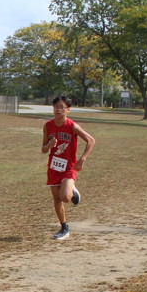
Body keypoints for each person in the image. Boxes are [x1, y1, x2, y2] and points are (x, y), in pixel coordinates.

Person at [42, 95, 95, 240]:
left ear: (68, 110)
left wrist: (82, 159)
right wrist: (49, 145)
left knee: (64, 197)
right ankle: (64, 227)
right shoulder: (48, 126)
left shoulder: (72, 126)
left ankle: (72, 190)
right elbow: (43, 149)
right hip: (54, 166)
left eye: (62, 107)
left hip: (69, 167)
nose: (58, 109)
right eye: (56, 106)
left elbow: (91, 140)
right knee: (56, 199)